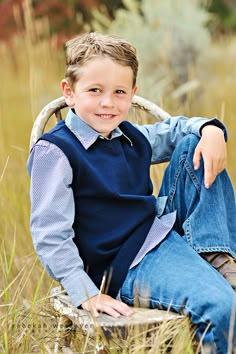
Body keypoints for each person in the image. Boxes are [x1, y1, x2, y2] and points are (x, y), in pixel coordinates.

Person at [28, 32, 236, 353]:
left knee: (196, 143)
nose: (108, 102)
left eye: (119, 92)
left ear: (133, 94)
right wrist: (85, 291)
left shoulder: (128, 134)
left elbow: (178, 130)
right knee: (225, 308)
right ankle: (213, 283)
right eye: (95, 90)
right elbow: (50, 233)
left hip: (157, 233)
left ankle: (214, 256)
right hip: (123, 264)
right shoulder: (56, 152)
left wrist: (210, 129)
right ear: (69, 92)